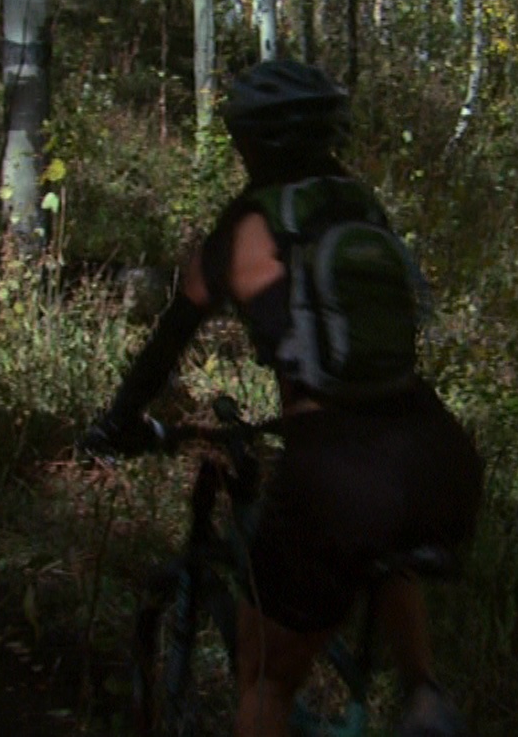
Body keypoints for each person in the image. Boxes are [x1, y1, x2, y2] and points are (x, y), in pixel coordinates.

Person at [84, 60, 483, 737]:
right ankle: (424, 694)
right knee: (382, 547)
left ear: (247, 144)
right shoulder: (360, 206)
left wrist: (118, 422)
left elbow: (166, 343)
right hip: (437, 454)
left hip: (339, 474)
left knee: (266, 678)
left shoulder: (243, 228)